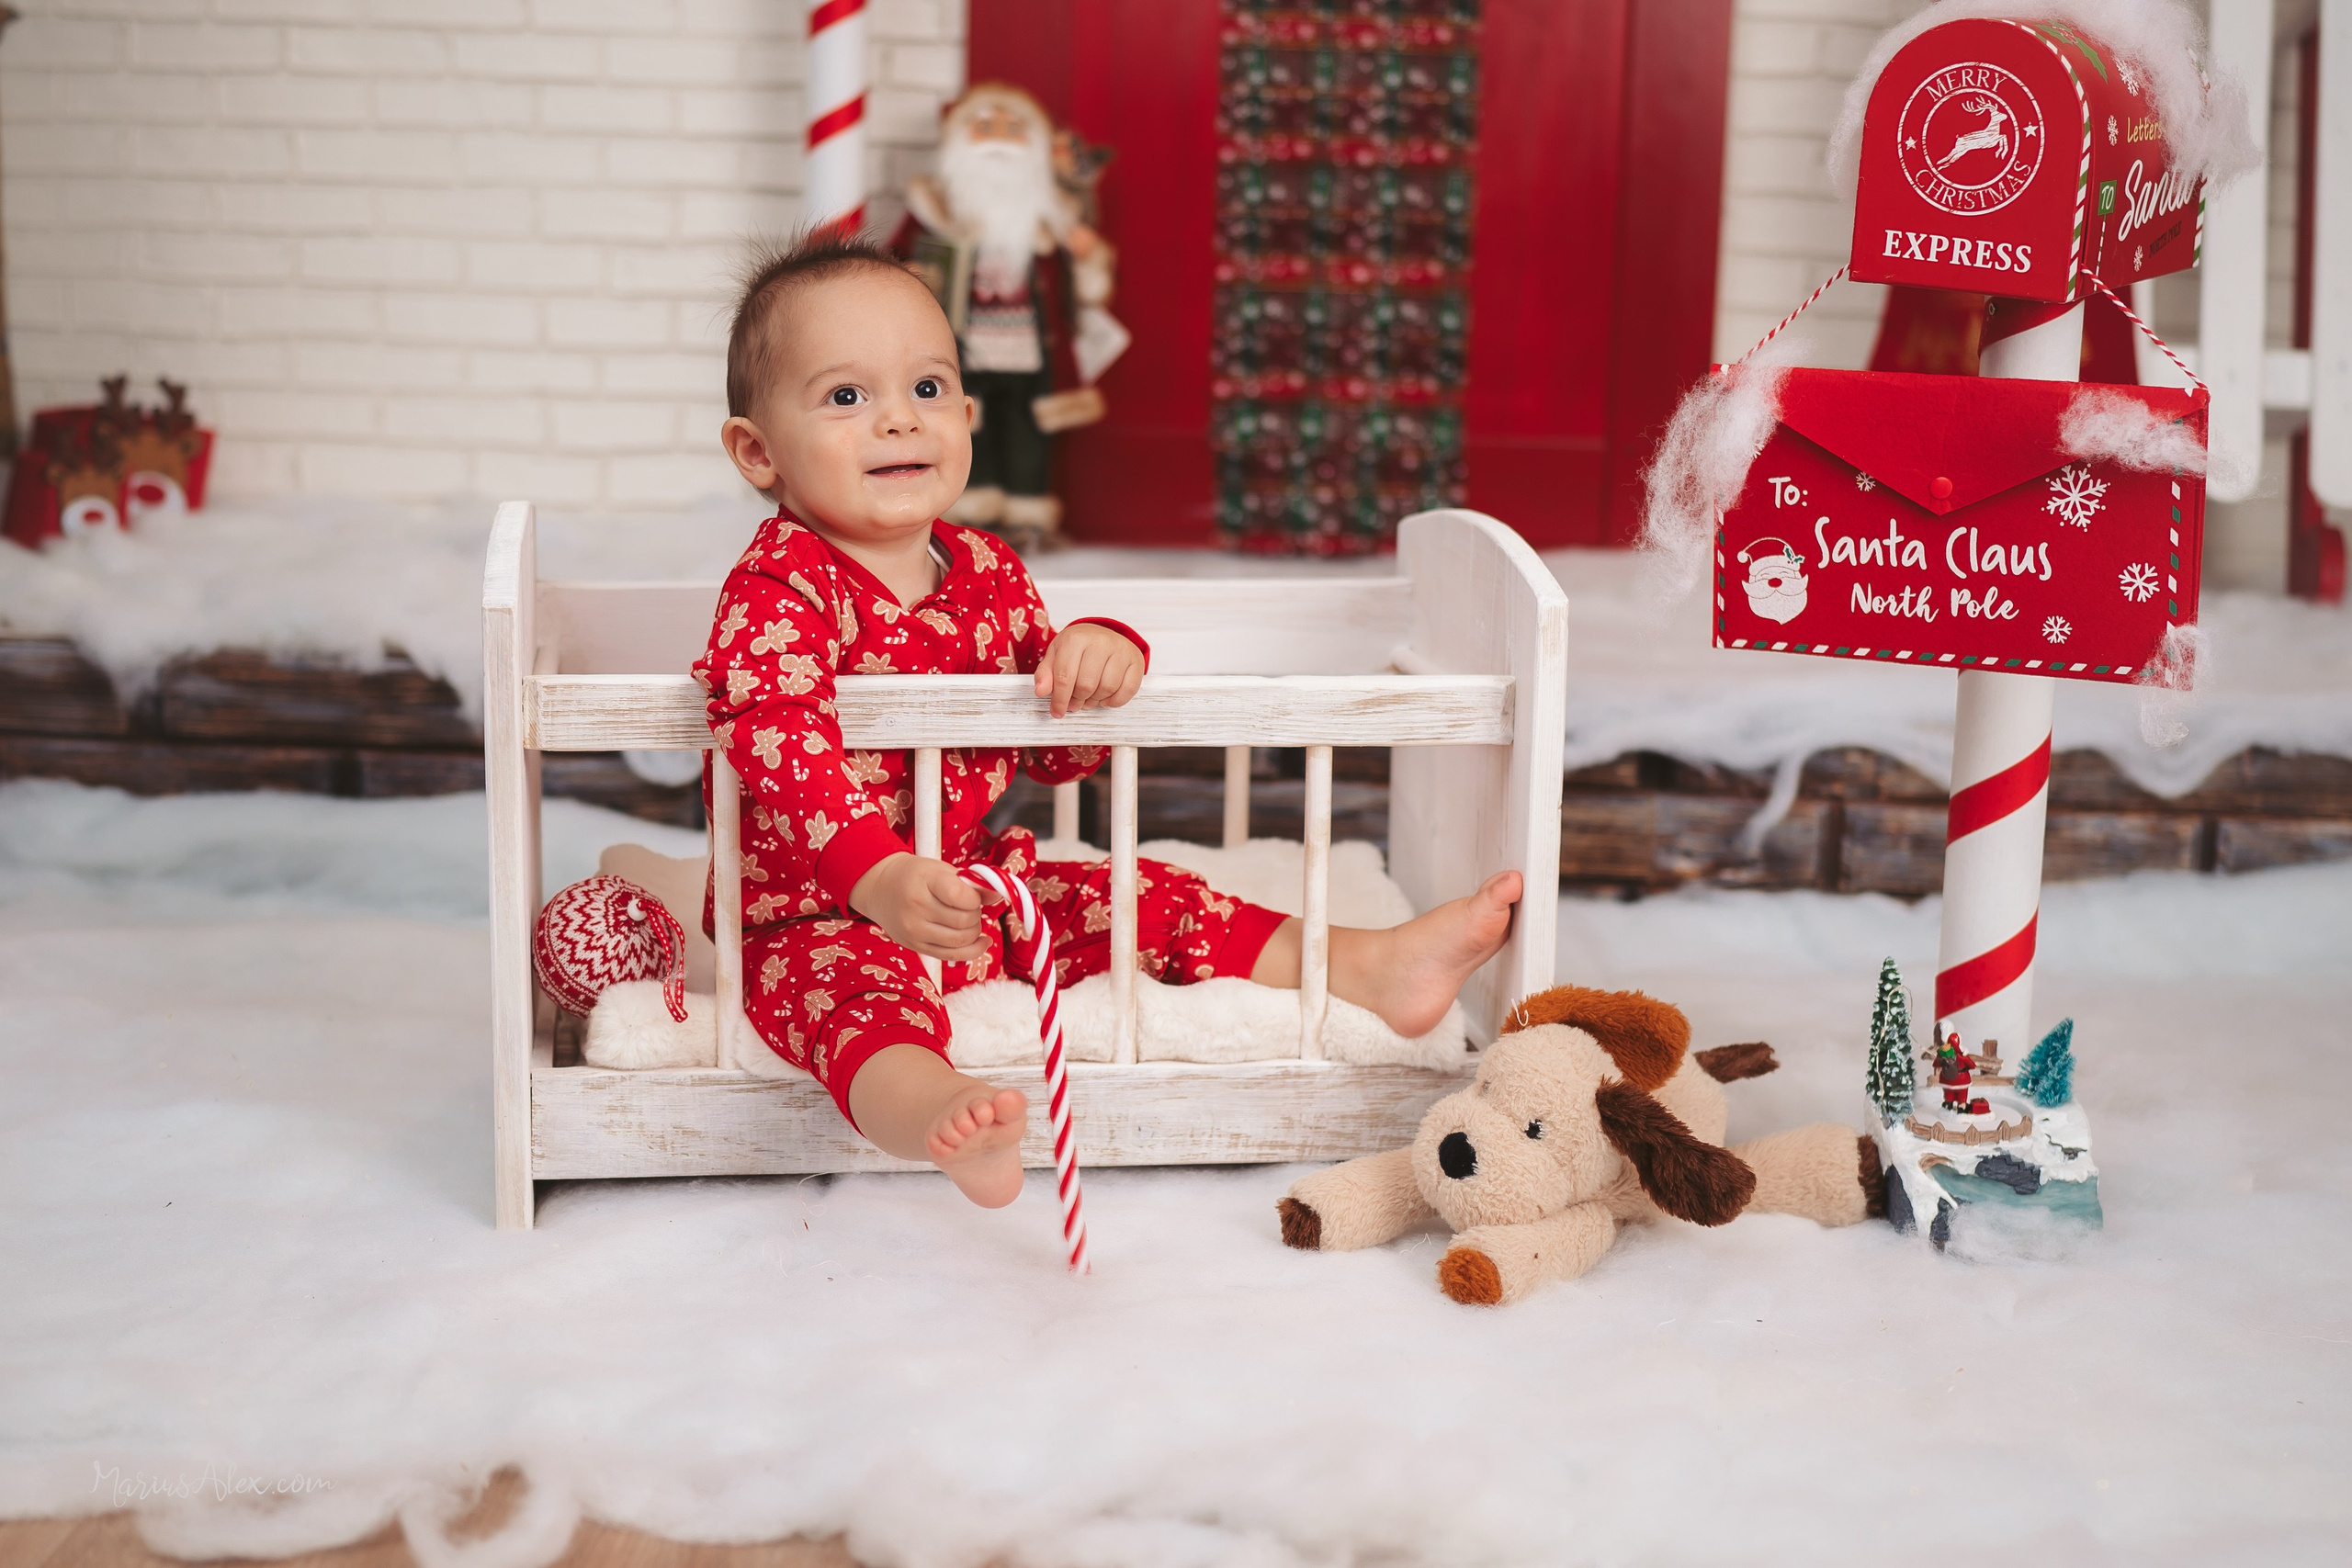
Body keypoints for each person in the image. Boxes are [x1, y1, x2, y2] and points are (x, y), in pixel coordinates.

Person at [701, 228, 1520, 1210]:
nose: (898, 419)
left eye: (926, 388)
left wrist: (1091, 658)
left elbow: (1058, 752)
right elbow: (774, 731)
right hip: (814, 913)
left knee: (1145, 895)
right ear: (757, 451)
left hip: (971, 892)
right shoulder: (780, 584)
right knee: (856, 1004)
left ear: (966, 413)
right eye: (846, 397)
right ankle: (938, 1112)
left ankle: (1368, 963)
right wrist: (875, 875)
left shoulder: (988, 572)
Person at [892, 83, 1126, 547]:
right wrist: (915, 275)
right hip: (960, 350)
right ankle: (971, 521)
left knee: (1028, 433)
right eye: (984, 127)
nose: (999, 139)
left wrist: (1088, 258)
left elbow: (1084, 292)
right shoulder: (934, 211)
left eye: (1013, 129)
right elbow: (892, 267)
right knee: (963, 431)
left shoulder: (1052, 219)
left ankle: (1028, 519)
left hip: (1031, 353)